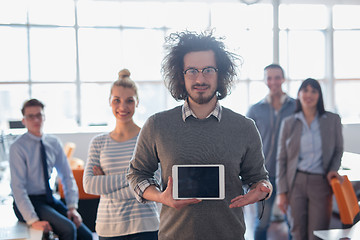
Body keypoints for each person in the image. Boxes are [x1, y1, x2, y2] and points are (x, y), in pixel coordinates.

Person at [127, 30, 273, 240]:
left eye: (208, 70)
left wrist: (263, 189)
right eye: (192, 70)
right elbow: (137, 174)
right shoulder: (157, 125)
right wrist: (161, 197)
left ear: (220, 73)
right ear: (180, 75)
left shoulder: (245, 127)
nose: (200, 78)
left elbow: (259, 178)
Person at [83, 69, 160, 240]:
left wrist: (106, 188)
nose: (122, 107)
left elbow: (155, 182)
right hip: (108, 228)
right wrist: (136, 178)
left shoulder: (149, 138)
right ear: (109, 101)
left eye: (129, 101)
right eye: (117, 100)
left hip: (145, 226)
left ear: (137, 102)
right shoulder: (99, 142)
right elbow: (89, 185)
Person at [9, 99, 92, 240]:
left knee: (87, 236)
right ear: (24, 120)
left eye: (39, 115)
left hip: (48, 199)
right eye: (30, 116)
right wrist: (32, 220)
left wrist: (72, 207)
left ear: (44, 117)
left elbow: (66, 176)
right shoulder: (18, 147)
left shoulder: (53, 143)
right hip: (28, 201)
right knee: (69, 229)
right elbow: (18, 188)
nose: (36, 119)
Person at [276, 78, 344, 240]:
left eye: (314, 91)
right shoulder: (289, 123)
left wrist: (333, 169)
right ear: (298, 94)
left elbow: (338, 150)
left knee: (317, 233)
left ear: (319, 95)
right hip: (295, 182)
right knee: (297, 231)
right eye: (305, 90)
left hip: (320, 183)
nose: (309, 94)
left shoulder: (332, 120)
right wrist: (282, 192)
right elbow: (281, 159)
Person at [247, 64, 296, 240]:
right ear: (265, 80)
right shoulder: (255, 109)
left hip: (290, 174)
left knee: (292, 222)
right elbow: (247, 143)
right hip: (263, 175)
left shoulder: (296, 106)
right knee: (262, 222)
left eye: (277, 77)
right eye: (269, 78)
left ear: (283, 79)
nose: (273, 82)